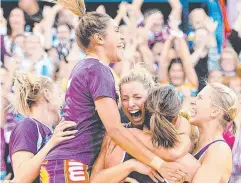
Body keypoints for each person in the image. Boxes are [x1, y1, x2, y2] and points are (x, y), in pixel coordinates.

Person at [41, 8, 187, 183]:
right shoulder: (98, 69)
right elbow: (115, 130)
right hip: (70, 163)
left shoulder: (85, 67)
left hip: (65, 162)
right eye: (117, 31)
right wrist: (159, 164)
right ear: (99, 38)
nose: (122, 37)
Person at [90, 69, 199, 183]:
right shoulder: (114, 135)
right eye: (125, 99)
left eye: (137, 97)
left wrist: (130, 133)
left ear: (150, 98)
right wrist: (131, 165)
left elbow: (198, 175)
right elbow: (94, 181)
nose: (131, 104)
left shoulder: (171, 137)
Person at [8, 72, 77, 183]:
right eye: (59, 95)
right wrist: (52, 143)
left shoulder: (49, 130)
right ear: (47, 94)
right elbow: (21, 178)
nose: (62, 101)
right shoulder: (27, 125)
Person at [190, 83, 239, 182]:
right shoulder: (192, 140)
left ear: (215, 111)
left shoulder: (219, 150)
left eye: (200, 98)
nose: (192, 101)